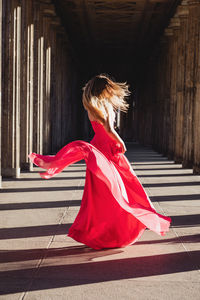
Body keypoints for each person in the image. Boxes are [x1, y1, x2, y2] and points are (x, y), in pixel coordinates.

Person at [28, 74, 171, 250]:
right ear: (105, 89)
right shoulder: (105, 106)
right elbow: (109, 129)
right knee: (126, 186)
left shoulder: (91, 107)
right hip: (108, 150)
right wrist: (122, 141)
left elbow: (102, 128)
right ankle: (118, 229)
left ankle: (100, 232)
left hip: (98, 150)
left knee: (100, 195)